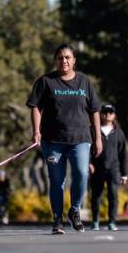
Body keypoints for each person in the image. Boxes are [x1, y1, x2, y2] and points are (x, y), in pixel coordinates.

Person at [26, 43, 102, 235]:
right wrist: (36, 132)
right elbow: (35, 106)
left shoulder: (84, 82)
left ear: (74, 60)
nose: (64, 61)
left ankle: (74, 210)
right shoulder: (46, 82)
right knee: (57, 180)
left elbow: (94, 111)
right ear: (55, 60)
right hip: (53, 141)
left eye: (68, 57)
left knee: (82, 174)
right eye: (60, 57)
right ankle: (57, 219)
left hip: (81, 139)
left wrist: (98, 138)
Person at [89, 104, 128, 231]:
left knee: (113, 195)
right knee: (96, 196)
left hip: (113, 169)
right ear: (101, 114)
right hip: (97, 168)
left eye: (110, 112)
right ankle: (95, 221)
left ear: (114, 115)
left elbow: (123, 154)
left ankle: (112, 222)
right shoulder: (93, 130)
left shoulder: (118, 132)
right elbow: (86, 148)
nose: (107, 115)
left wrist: (124, 174)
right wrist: (88, 163)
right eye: (105, 112)